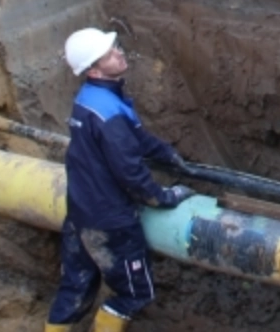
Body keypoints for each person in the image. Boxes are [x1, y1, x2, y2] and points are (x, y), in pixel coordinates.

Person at [47, 22, 193, 332]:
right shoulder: (108, 111)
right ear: (94, 70)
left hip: (80, 214)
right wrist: (163, 197)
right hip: (110, 221)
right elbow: (130, 171)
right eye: (108, 54)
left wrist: (165, 152)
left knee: (76, 287)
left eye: (115, 47)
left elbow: (132, 137)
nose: (118, 53)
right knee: (135, 292)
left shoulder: (90, 100)